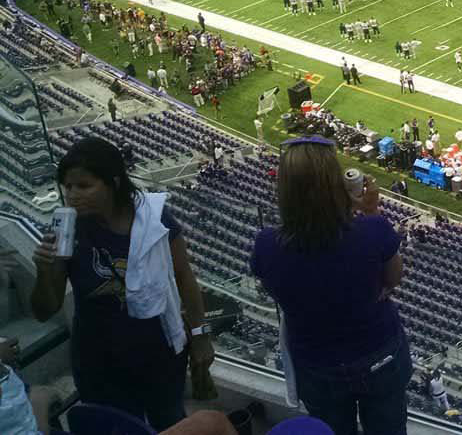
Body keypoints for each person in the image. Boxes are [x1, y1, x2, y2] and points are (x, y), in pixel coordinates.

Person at [30, 137, 213, 430]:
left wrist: (200, 336)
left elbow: (184, 278)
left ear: (113, 182)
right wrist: (44, 269)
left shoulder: (153, 217)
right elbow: (44, 310)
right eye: (68, 187)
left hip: (158, 354)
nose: (73, 195)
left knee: (169, 423)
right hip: (98, 362)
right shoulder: (67, 231)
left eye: (84, 186)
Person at [250, 136, 410, 435]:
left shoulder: (267, 244)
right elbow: (393, 279)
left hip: (315, 362)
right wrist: (369, 212)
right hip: (378, 351)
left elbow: (276, 289)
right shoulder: (371, 229)